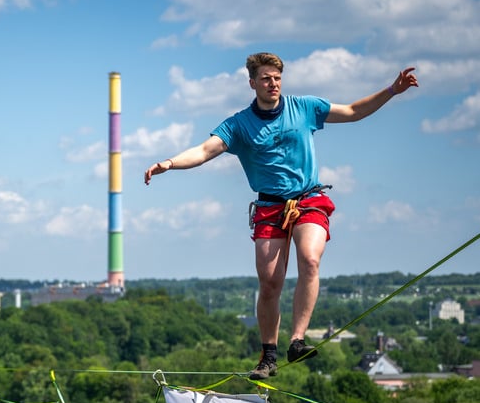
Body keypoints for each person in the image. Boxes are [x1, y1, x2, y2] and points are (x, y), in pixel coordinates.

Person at [144, 52, 418, 380]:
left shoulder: (304, 107)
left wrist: (391, 91)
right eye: (265, 79)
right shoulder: (239, 124)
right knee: (270, 282)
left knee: (310, 260)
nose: (272, 84)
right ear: (252, 83)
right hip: (270, 206)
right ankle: (268, 354)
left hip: (309, 199)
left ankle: (297, 340)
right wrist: (169, 163)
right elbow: (204, 151)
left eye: (277, 78)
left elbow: (353, 111)